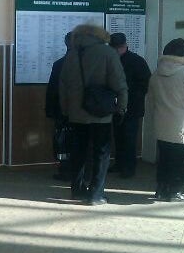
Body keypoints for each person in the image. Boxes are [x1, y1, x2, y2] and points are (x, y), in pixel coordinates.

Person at [59, 24, 128, 206]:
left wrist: (66, 110)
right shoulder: (108, 53)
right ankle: (96, 194)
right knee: (101, 153)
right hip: (101, 112)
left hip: (76, 113)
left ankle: (77, 190)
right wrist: (121, 107)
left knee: (78, 152)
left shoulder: (72, 54)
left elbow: (63, 85)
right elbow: (119, 83)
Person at [147, 38, 184, 202]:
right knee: (180, 161)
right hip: (183, 128)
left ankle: (161, 189)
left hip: (162, 126)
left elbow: (151, 101)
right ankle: (174, 192)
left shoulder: (155, 75)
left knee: (164, 159)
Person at [109, 32, 151, 178]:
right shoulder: (111, 60)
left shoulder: (137, 61)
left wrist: (128, 94)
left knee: (129, 139)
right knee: (118, 137)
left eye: (117, 48)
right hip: (115, 106)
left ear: (124, 46)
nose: (115, 51)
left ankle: (129, 168)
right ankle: (119, 163)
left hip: (132, 107)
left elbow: (145, 84)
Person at [45, 32, 72, 181]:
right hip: (84, 112)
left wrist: (50, 110)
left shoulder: (59, 64)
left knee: (63, 142)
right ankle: (83, 172)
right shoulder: (89, 63)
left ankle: (65, 171)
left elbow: (52, 90)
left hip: (62, 111)